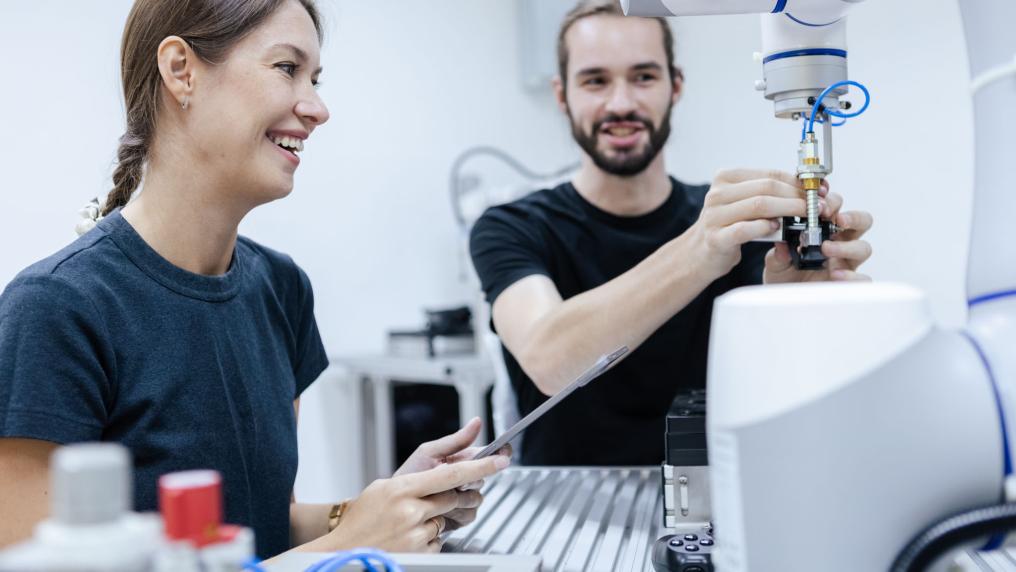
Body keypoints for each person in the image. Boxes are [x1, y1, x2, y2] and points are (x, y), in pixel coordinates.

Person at [0, 0, 508, 559]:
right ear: (180, 71)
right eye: (287, 68)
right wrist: (344, 551)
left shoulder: (282, 290)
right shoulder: (55, 311)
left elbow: (265, 527)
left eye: (314, 78)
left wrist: (384, 508)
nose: (317, 108)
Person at [469, 0, 874, 466]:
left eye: (643, 76)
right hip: (562, 502)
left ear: (674, 85)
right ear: (562, 95)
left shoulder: (740, 227)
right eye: (595, 80)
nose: (620, 103)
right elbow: (549, 357)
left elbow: (783, 384)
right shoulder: (513, 227)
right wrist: (697, 249)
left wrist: (801, 306)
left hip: (714, 501)